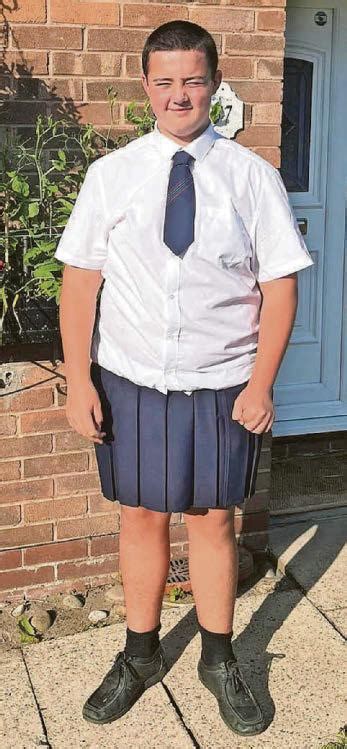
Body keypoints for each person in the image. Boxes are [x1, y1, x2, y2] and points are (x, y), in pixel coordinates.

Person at [54, 20, 313, 737]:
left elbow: (280, 288)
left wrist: (260, 383)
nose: (178, 94)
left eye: (192, 80)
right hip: (131, 378)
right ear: (145, 87)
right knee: (139, 514)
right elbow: (79, 285)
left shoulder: (250, 177)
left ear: (214, 83)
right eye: (164, 81)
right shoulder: (112, 176)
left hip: (222, 381)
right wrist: (80, 381)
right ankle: (138, 654)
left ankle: (218, 656)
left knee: (213, 520)